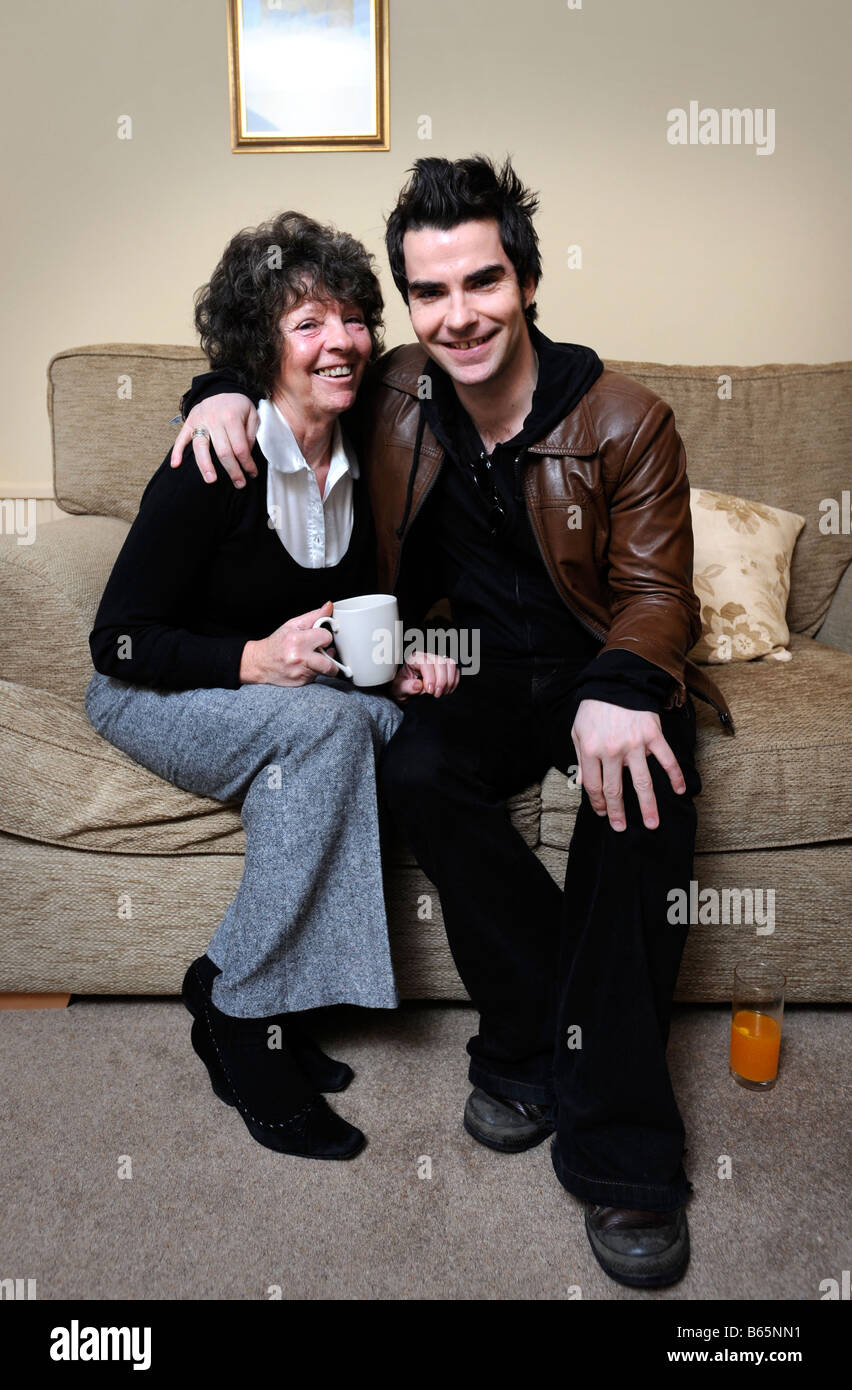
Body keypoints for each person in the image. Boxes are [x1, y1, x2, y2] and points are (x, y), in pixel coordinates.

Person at [171, 158, 736, 1287]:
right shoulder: (393, 389)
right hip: (464, 666)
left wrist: (625, 690)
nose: (460, 314)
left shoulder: (627, 418)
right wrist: (214, 395)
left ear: (525, 281)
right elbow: (276, 375)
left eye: (483, 281)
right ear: (409, 304)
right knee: (415, 762)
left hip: (596, 664)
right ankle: (529, 1030)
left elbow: (659, 593)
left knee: (650, 790)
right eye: (430, 292)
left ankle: (619, 1144)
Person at [85, 210, 458, 1162]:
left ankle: (276, 1007)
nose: (339, 342)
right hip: (154, 695)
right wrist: (252, 659)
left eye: (352, 319)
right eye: (306, 324)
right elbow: (117, 642)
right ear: (264, 348)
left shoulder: (367, 447)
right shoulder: (214, 455)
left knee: (382, 720)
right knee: (328, 735)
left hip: (267, 703)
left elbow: (350, 622)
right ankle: (239, 1008)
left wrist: (403, 657)